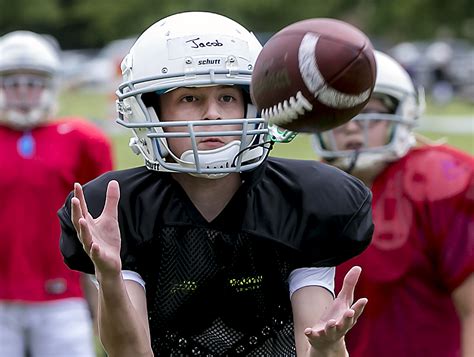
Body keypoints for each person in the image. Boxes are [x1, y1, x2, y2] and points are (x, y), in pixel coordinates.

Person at [58, 11, 374, 357]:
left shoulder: (303, 200)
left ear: (252, 107)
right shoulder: (123, 207)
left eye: (227, 97)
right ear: (150, 111)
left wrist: (328, 346)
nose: (213, 114)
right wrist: (110, 277)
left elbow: (311, 341)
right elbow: (130, 353)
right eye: (189, 99)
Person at [312, 50, 474, 357]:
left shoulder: (442, 180)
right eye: (340, 112)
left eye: (367, 112)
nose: (350, 126)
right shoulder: (306, 191)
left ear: (402, 113)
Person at [0, 30, 114, 357]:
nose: (23, 91)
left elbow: (99, 227)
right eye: (12, 82)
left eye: (32, 82)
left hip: (61, 295)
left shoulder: (82, 139)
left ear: (49, 85)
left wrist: (100, 296)